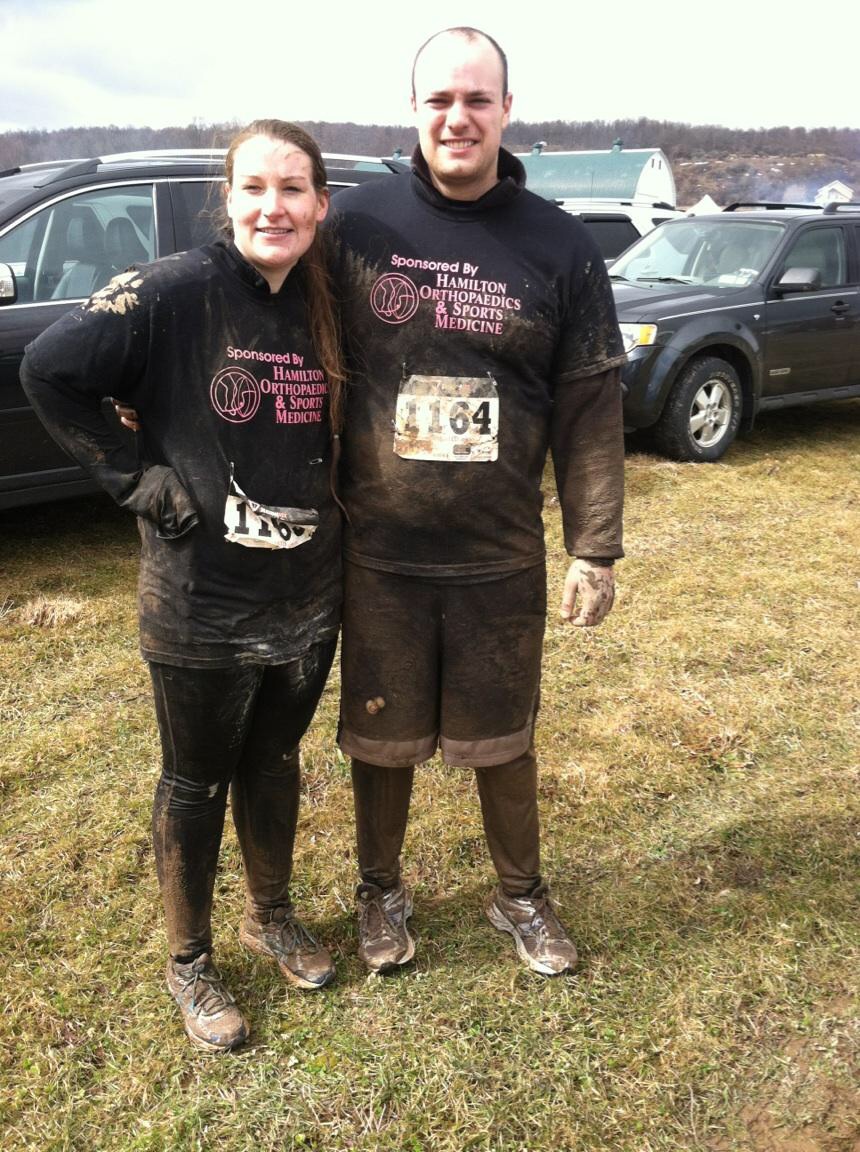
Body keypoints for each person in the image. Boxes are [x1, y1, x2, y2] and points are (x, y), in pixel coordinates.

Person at [20, 120, 344, 1052]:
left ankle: (271, 914)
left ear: (320, 205)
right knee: (196, 780)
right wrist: (136, 479)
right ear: (228, 199)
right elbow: (50, 369)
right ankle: (190, 961)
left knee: (274, 763)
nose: (273, 207)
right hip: (201, 599)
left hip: (307, 591)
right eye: (255, 188)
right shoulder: (171, 290)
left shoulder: (327, 299)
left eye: (292, 189)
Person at [329, 27, 627, 977]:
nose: (457, 117)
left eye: (476, 99)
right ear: (413, 111)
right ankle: (380, 892)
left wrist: (595, 547)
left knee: (503, 739)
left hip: (498, 553)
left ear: (506, 110)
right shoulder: (356, 225)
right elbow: (262, 308)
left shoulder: (560, 243)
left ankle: (520, 896)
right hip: (379, 550)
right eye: (439, 100)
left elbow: (590, 403)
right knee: (379, 734)